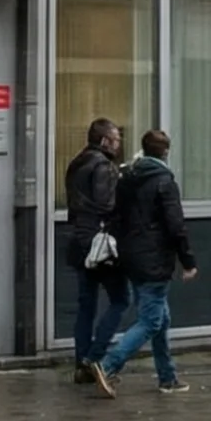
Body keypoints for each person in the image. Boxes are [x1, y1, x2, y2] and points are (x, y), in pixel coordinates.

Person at [93, 129, 196, 398]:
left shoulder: (128, 178)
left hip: (132, 259)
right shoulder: (164, 181)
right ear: (166, 152)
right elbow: (176, 226)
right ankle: (108, 366)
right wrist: (188, 261)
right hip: (155, 261)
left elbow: (116, 216)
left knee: (161, 318)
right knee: (151, 321)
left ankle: (167, 377)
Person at [63, 118, 128, 382]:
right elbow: (107, 205)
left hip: (78, 239)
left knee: (86, 305)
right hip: (99, 243)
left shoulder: (76, 163)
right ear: (104, 141)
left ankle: (82, 364)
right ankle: (94, 357)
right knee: (121, 299)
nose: (118, 144)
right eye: (115, 140)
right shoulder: (104, 166)